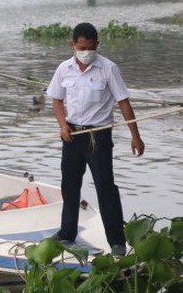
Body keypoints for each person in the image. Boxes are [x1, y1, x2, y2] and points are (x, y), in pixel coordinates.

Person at [46, 22, 145, 257]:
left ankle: (117, 242)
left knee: (105, 187)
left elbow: (123, 103)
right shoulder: (64, 69)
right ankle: (66, 232)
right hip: (72, 135)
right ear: (72, 45)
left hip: (98, 137)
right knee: (69, 185)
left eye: (91, 48)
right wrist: (62, 125)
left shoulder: (108, 69)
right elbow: (57, 100)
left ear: (97, 45)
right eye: (82, 47)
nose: (87, 53)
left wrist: (135, 136)